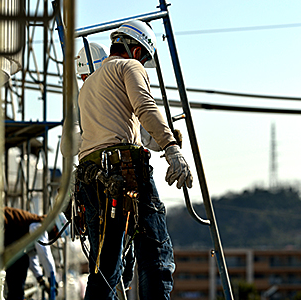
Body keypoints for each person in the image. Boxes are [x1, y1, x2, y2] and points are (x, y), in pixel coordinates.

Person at [74, 20, 193, 299]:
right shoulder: (130, 67)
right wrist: (171, 147)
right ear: (137, 50)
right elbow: (145, 106)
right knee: (155, 253)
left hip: (91, 176)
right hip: (124, 169)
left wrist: (161, 137)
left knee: (105, 268)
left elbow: (116, 126)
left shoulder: (89, 85)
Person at [3, 207, 63, 300]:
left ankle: (15, 297)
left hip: (5, 234)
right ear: (55, 228)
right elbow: (44, 252)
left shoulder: (36, 227)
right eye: (57, 234)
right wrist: (52, 278)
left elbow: (32, 255)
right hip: (1, 225)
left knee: (22, 260)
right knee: (20, 262)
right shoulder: (39, 226)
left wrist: (40, 279)